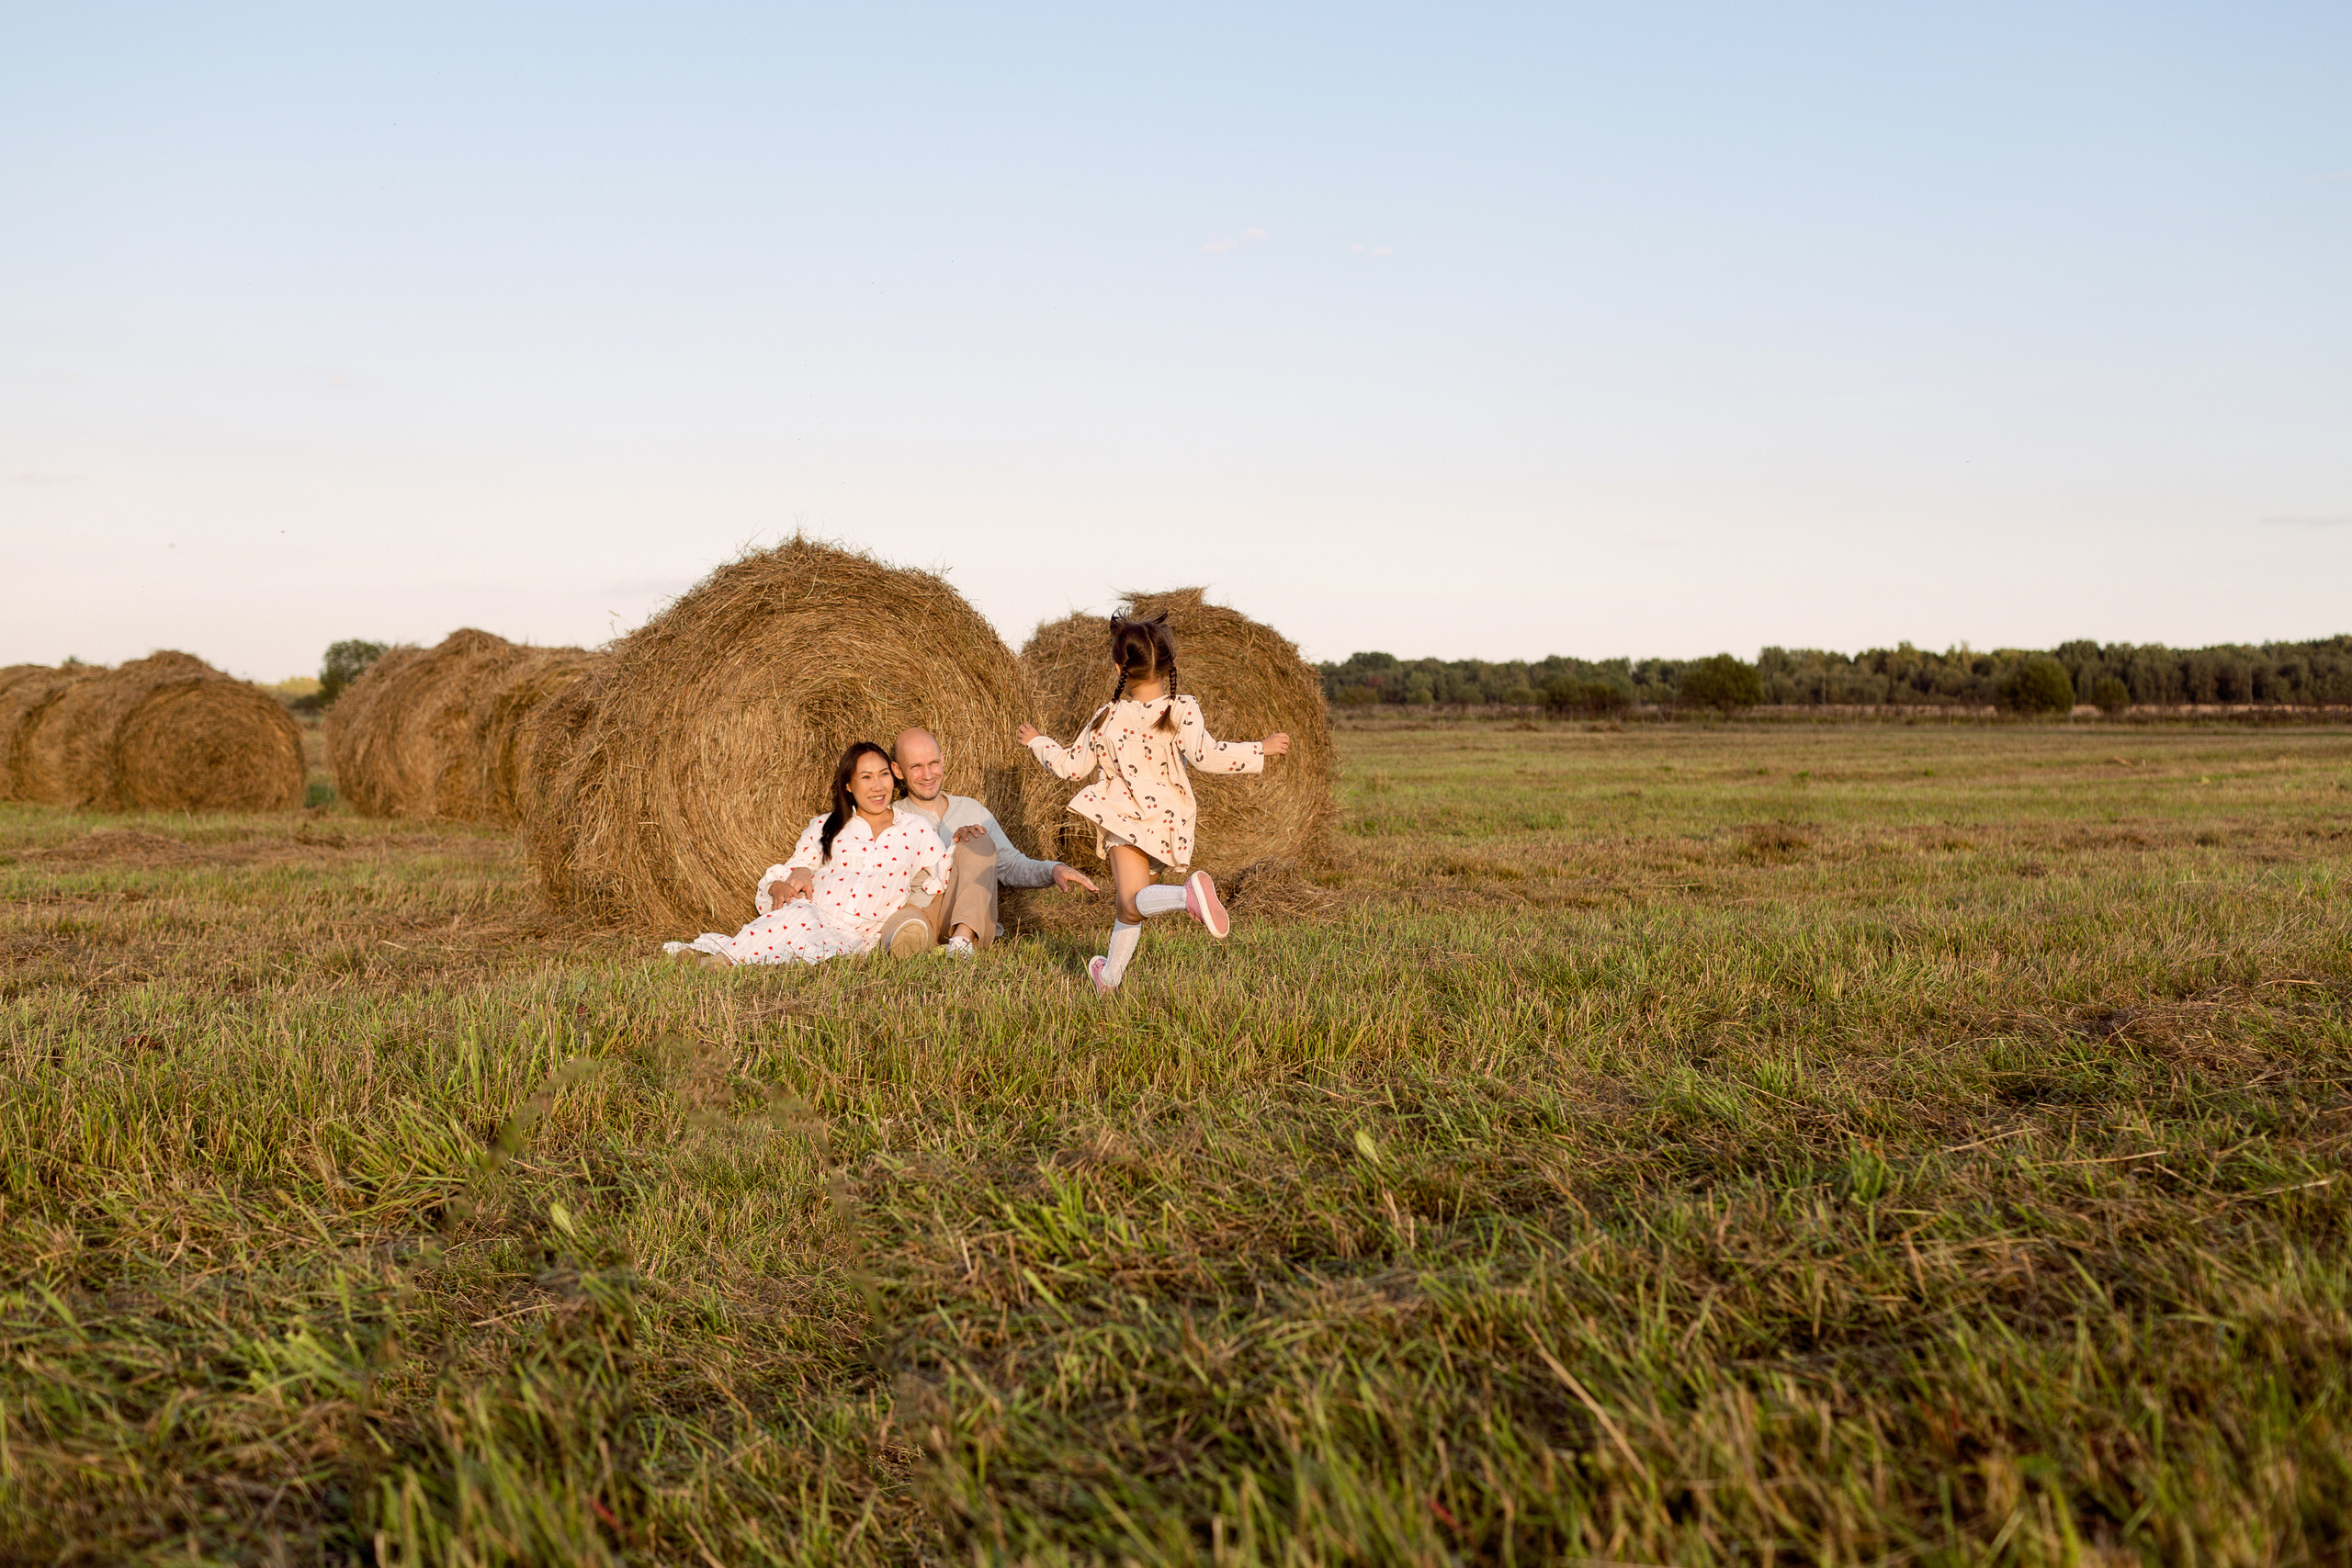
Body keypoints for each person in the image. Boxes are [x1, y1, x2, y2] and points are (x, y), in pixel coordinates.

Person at [1019, 613, 1291, 995]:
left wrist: (1037, 741)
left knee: (1131, 903)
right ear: (1167, 664)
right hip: (1167, 821)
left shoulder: (1107, 717)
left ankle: (1186, 897)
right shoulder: (1183, 708)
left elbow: (1070, 767)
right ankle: (1108, 979)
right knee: (1129, 909)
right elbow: (1207, 756)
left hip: (1125, 819)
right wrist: (1259, 748)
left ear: (1119, 668)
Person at [662, 740, 947, 968]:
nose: (878, 786)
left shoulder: (915, 829)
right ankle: (718, 963)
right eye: (866, 777)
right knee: (798, 917)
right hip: (816, 914)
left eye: (884, 774)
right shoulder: (827, 825)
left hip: (864, 935)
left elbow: (946, 870)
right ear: (849, 786)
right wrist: (778, 886)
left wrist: (965, 840)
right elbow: (791, 872)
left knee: (805, 946)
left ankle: (720, 961)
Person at [873, 726, 1099, 959]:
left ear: (943, 759)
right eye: (916, 767)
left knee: (975, 836)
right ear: (898, 770)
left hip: (972, 918)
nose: (928, 774)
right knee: (904, 925)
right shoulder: (889, 819)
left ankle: (961, 940)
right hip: (919, 912)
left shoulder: (971, 810)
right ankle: (916, 941)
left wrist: (1053, 869)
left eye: (933, 763)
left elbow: (1010, 865)